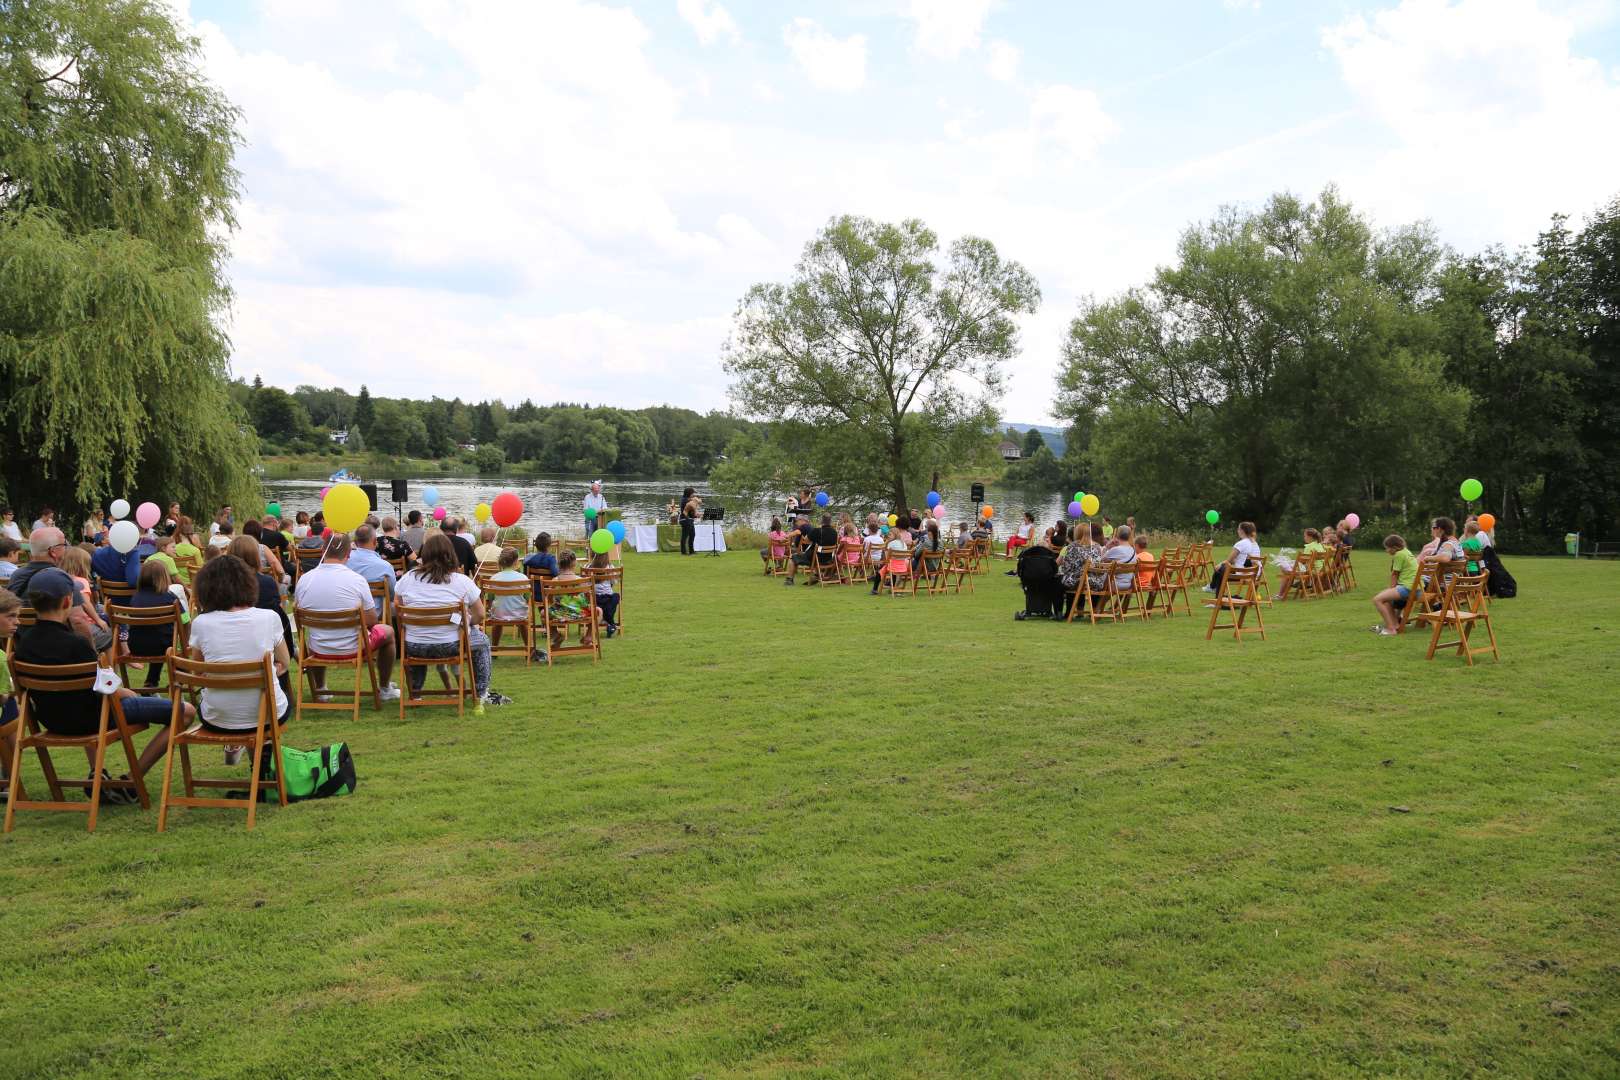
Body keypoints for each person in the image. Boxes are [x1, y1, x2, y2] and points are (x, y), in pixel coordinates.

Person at [14, 569, 186, 797]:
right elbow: (105, 688)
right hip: (96, 717)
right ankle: (131, 781)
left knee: (83, 700)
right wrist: (127, 693)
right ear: (67, 601)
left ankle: (98, 773)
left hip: (52, 720)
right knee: (184, 711)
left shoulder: (22, 646)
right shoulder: (77, 644)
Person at [186, 554, 291, 741]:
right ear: (248, 584)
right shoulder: (269, 617)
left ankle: (245, 750)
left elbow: (198, 672)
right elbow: (284, 663)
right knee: (273, 699)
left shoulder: (201, 623)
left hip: (218, 717)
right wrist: (264, 674)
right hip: (269, 714)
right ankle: (262, 752)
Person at [396, 533, 506, 706]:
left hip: (414, 645)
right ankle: (481, 692)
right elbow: (480, 614)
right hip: (451, 644)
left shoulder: (408, 578)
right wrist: (466, 622)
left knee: (420, 634)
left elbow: (399, 608)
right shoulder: (461, 581)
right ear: (450, 554)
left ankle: (415, 692)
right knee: (482, 641)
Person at [293, 530, 398, 702]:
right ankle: (385, 688)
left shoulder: (304, 580)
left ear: (323, 550)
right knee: (388, 632)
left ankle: (321, 689)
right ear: (349, 553)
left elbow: (300, 613)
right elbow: (372, 620)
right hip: (354, 647)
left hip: (318, 648)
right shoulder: (356, 580)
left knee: (315, 633)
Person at [9, 527, 113, 652]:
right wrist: (90, 653)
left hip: (26, 647)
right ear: (53, 551)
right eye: (64, 545)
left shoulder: (16, 576)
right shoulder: (62, 579)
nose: (67, 549)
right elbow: (78, 621)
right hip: (61, 649)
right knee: (107, 633)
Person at [124, 558, 189, 689]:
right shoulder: (170, 597)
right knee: (168, 644)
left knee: (156, 636)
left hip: (136, 646)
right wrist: (185, 643)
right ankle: (178, 681)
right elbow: (186, 621)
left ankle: (151, 683)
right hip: (164, 646)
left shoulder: (135, 599)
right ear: (165, 577)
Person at [1015, 523, 1065, 620]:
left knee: (1032, 590)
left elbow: (1019, 570)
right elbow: (1055, 569)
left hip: (1029, 581)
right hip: (1047, 581)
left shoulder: (1027, 558)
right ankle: (1050, 611)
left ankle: (1030, 610)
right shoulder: (1049, 558)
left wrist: (1023, 578)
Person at [1370, 534, 1417, 636]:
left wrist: (1390, 589)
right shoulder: (1407, 552)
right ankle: (1395, 625)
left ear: (1394, 547)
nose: (1386, 550)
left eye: (1387, 548)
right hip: (1415, 587)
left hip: (1407, 587)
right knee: (1385, 600)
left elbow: (1395, 574)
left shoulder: (1399, 555)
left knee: (1377, 600)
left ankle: (1391, 629)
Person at [58, 546, 109, 639]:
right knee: (110, 633)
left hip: (68, 626)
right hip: (87, 625)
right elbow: (85, 603)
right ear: (82, 566)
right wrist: (98, 620)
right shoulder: (81, 581)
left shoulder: (62, 579)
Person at [487, 547, 530, 648]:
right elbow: (527, 598)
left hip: (499, 614)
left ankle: (494, 647)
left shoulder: (494, 578)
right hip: (519, 614)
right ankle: (528, 648)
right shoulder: (523, 578)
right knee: (523, 622)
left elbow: (491, 598)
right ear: (516, 561)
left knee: (497, 620)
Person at [1059, 522, 1106, 612]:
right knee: (1079, 578)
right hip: (1096, 582)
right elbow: (1100, 568)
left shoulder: (1072, 546)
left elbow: (1066, 568)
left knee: (1064, 580)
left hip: (1080, 581)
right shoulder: (1097, 547)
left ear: (1077, 533)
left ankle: (1068, 611)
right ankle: (1093, 610)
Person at [1204, 522, 1261, 594]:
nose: (1237, 530)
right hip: (1254, 572)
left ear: (1242, 531)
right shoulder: (1252, 543)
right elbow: (1245, 560)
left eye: (1238, 529)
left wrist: (1221, 564)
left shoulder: (1242, 543)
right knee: (1223, 569)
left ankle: (1215, 590)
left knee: (1221, 569)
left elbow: (1230, 560)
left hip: (1245, 574)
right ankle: (1214, 589)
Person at [787, 514, 839, 586]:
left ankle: (789, 580)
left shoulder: (817, 531)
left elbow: (806, 540)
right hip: (828, 559)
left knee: (793, 557)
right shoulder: (835, 532)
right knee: (815, 556)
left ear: (821, 521)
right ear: (830, 522)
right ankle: (816, 575)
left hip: (814, 558)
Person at [587, 549, 619, 638]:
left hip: (593, 598)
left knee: (610, 600)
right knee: (616, 596)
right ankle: (610, 622)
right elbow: (614, 581)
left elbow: (586, 583)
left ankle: (607, 621)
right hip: (607, 598)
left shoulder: (588, 566)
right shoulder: (610, 567)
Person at [678, 488, 697, 556]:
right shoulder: (685, 500)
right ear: (689, 493)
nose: (693, 494)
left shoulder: (688, 499)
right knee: (685, 536)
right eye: (692, 493)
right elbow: (693, 504)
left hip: (690, 519)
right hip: (685, 519)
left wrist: (695, 515)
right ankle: (683, 552)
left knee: (692, 535)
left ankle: (691, 551)